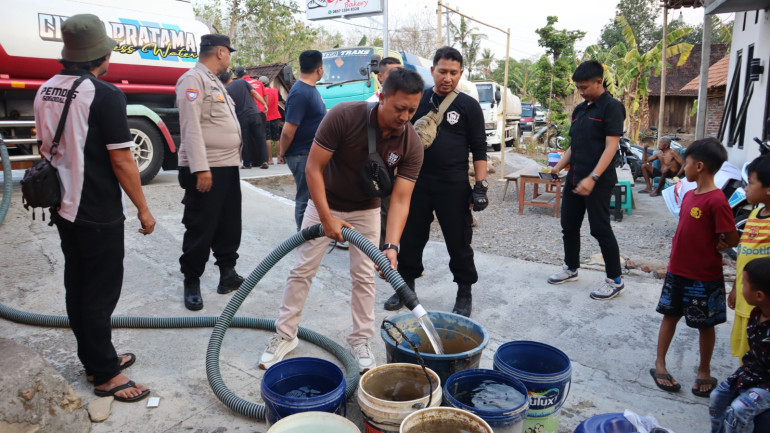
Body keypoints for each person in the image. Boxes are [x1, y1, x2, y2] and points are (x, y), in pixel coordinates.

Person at [259, 68, 425, 373]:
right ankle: (285, 334)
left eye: (412, 111)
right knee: (302, 269)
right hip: (325, 202)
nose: (405, 117)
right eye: (400, 108)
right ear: (382, 97)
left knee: (364, 277)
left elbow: (401, 199)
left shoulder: (411, 143)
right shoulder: (344, 116)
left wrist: (391, 246)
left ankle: (360, 340)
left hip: (366, 209)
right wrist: (327, 219)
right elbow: (313, 168)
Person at [33, 13, 155, 402]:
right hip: (97, 209)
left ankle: (95, 358)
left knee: (79, 284)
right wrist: (143, 209)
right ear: (103, 54)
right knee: (100, 292)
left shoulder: (45, 89)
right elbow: (122, 161)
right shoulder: (104, 95)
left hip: (61, 205)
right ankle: (105, 374)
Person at [384, 46, 487, 317]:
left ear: (461, 73)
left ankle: (464, 291)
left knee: (458, 241)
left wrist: (480, 186)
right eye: (442, 71)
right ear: (432, 71)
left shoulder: (469, 106)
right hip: (415, 181)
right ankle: (405, 287)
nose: (447, 78)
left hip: (453, 185)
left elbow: (479, 148)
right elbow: (398, 135)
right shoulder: (419, 100)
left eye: (453, 72)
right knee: (410, 237)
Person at [650, 138, 738, 397]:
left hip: (704, 276)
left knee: (705, 325)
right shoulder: (689, 195)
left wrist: (723, 243)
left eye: (686, 163)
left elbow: (732, 237)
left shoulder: (717, 200)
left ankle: (704, 370)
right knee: (669, 316)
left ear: (699, 166)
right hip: (677, 271)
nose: (683, 168)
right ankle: (660, 364)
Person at [175, 34, 245, 311]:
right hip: (206, 168)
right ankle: (191, 281)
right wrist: (200, 168)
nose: (229, 58)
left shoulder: (215, 81)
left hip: (227, 166)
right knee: (200, 226)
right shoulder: (193, 80)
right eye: (228, 53)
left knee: (229, 224)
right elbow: (190, 126)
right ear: (220, 52)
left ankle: (227, 274)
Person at [547, 60, 626, 300]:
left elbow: (611, 147)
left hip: (598, 181)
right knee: (569, 226)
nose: (580, 92)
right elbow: (575, 145)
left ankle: (615, 280)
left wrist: (593, 177)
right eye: (578, 88)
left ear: (598, 82)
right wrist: (558, 167)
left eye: (584, 87)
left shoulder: (612, 107)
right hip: (575, 177)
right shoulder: (580, 110)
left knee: (600, 229)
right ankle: (571, 268)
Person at [710, 257, 770, 433]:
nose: (740, 288)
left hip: (766, 383)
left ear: (759, 296)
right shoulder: (756, 313)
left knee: (738, 411)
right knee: (717, 396)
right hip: (751, 373)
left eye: (743, 285)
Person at [277, 50, 327, 232]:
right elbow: (288, 131)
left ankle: (316, 234)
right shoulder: (300, 93)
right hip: (301, 154)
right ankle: (303, 237)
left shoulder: (310, 90)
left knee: (315, 197)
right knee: (305, 199)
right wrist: (281, 153)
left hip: (311, 154)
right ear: (319, 69)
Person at [728, 155, 770, 361]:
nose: (746, 188)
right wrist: (736, 288)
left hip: (763, 308)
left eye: (751, 183)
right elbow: (743, 258)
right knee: (745, 355)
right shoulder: (753, 215)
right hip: (746, 301)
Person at [366, 57, 404, 248]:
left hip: (396, 171)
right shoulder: (369, 105)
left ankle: (388, 251)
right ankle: (376, 254)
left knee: (391, 215)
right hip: (373, 171)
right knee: (373, 215)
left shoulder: (407, 104)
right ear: (380, 77)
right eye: (393, 73)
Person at [219, 71, 262, 170]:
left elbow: (230, 105)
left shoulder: (225, 91)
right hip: (254, 113)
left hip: (240, 116)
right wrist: (264, 103)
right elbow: (254, 93)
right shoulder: (243, 82)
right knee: (258, 137)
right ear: (231, 77)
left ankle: (247, 163)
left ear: (221, 81)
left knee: (244, 140)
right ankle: (262, 161)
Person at [234, 66, 270, 168]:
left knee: (246, 138)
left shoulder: (238, 84)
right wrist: (265, 106)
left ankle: (248, 163)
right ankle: (264, 161)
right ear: (247, 73)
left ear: (237, 75)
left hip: (245, 113)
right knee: (260, 137)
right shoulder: (258, 83)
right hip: (260, 112)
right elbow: (265, 95)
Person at [260, 75, 282, 164]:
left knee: (267, 138)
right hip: (275, 116)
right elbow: (280, 100)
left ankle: (270, 159)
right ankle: (279, 158)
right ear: (268, 83)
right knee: (277, 138)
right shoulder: (275, 91)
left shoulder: (261, 93)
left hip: (266, 117)